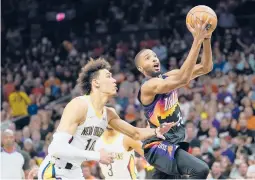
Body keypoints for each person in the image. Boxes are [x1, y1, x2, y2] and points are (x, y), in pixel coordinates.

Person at [38, 58, 176, 179]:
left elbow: (135, 133)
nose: (114, 80)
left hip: (74, 172)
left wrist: (156, 131)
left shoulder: (108, 113)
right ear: (96, 82)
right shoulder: (79, 105)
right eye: (109, 76)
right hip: (55, 170)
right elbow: (56, 148)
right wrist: (97, 156)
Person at [134, 16, 214, 179]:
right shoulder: (148, 86)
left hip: (174, 142)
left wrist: (206, 38)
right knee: (200, 170)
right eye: (148, 58)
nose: (154, 58)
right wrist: (196, 41)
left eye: (154, 55)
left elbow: (206, 67)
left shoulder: (168, 76)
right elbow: (183, 79)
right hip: (157, 146)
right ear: (142, 69)